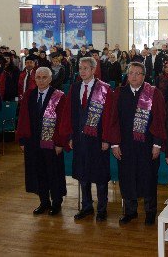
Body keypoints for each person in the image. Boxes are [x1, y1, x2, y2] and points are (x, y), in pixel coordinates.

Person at [107, 62, 167, 225]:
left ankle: (150, 212)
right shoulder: (119, 92)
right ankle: (130, 211)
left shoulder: (153, 93)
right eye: (131, 73)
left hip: (147, 146)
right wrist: (114, 144)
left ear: (144, 76)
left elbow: (160, 120)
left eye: (138, 73)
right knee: (127, 178)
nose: (134, 76)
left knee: (148, 178)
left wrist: (157, 144)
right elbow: (113, 119)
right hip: (126, 145)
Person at [67, 57, 118, 221]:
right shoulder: (75, 87)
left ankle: (102, 208)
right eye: (80, 68)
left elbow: (109, 116)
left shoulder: (104, 89)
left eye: (86, 68)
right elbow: (71, 114)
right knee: (83, 174)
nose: (82, 71)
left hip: (98, 140)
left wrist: (106, 139)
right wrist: (70, 136)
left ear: (93, 70)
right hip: (80, 138)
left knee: (100, 175)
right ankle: (87, 206)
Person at [16, 67, 69, 216]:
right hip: (33, 142)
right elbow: (23, 118)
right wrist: (22, 140)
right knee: (38, 172)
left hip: (52, 143)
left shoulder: (59, 96)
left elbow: (62, 122)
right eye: (38, 77)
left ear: (50, 79)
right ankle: (44, 202)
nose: (40, 80)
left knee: (54, 172)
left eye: (44, 77)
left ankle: (56, 203)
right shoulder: (30, 95)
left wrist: (59, 142)